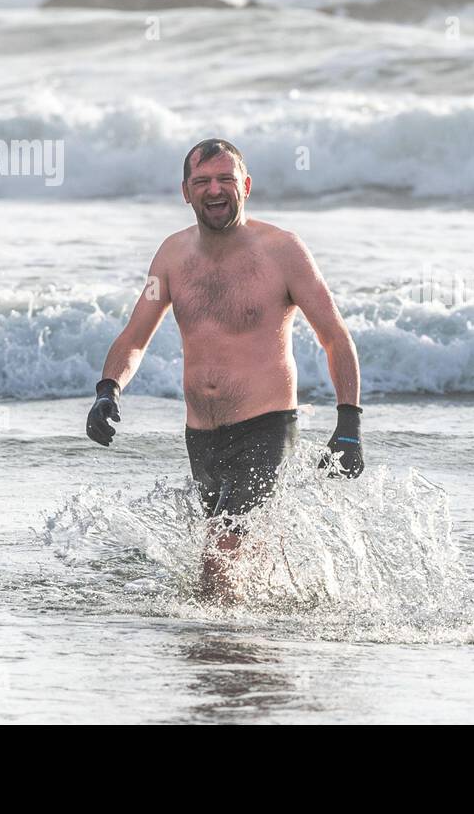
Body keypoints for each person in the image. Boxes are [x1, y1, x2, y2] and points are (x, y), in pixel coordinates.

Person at [85, 138, 364, 601]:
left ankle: (217, 647)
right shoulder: (172, 256)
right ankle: (250, 650)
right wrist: (108, 389)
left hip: (266, 428)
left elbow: (335, 336)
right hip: (202, 437)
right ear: (186, 191)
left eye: (225, 179)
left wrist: (349, 424)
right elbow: (136, 334)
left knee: (220, 554)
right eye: (202, 181)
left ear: (246, 186)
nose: (215, 190)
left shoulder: (283, 252)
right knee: (236, 556)